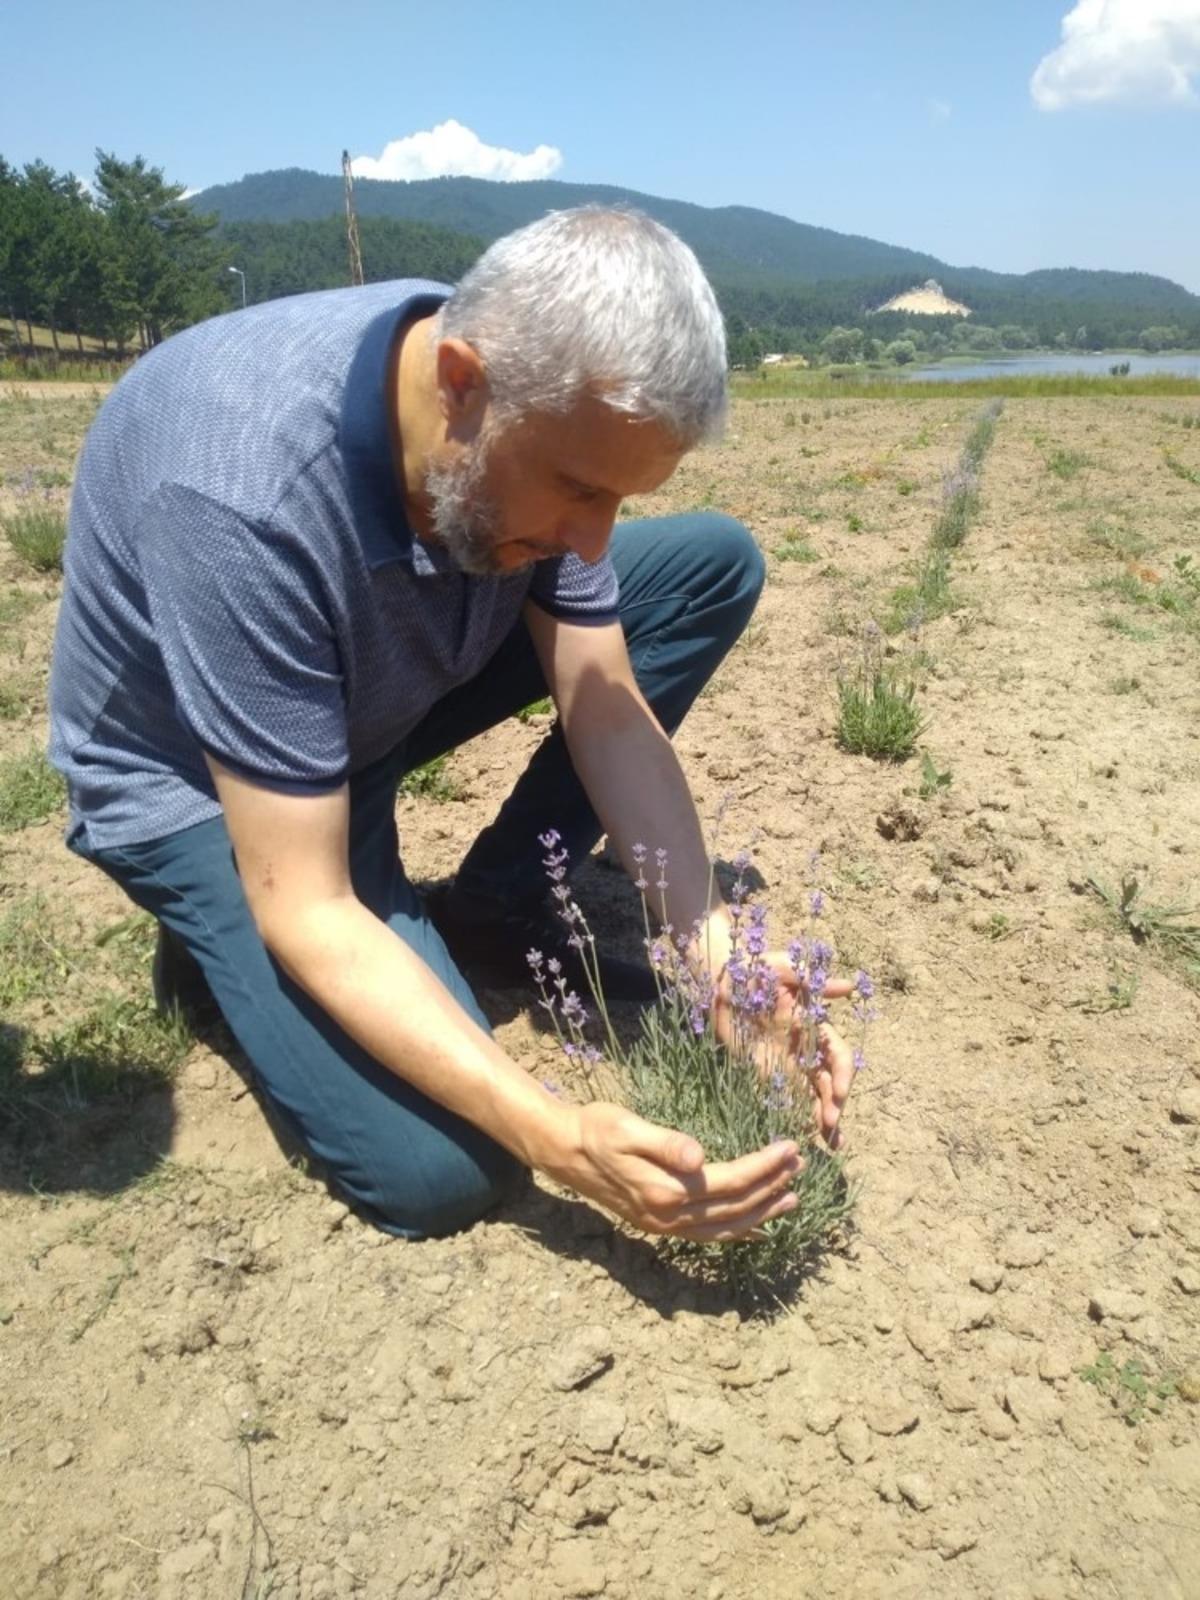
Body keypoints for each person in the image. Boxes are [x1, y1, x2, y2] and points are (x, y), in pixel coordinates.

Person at [49, 206, 854, 1242]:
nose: (592, 537)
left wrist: (713, 958)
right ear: (461, 382)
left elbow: (605, 707)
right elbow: (311, 906)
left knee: (708, 564)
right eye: (577, 486)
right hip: (196, 775)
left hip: (348, 699)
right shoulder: (238, 492)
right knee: (443, 1167)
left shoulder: (513, 406)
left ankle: (496, 908)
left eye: (619, 497)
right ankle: (211, 941)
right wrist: (558, 1134)